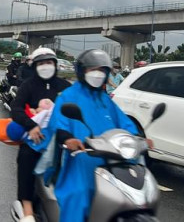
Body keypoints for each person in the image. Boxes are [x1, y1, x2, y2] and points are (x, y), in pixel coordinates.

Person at [33, 49, 138, 222]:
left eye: (102, 70)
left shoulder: (105, 100)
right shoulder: (68, 96)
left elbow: (125, 123)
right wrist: (68, 139)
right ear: (82, 71)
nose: (98, 74)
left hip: (110, 161)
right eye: (92, 69)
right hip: (79, 159)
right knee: (79, 194)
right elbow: (58, 124)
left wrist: (138, 138)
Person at [10, 47, 71, 221]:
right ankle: (27, 209)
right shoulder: (28, 85)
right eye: (42, 63)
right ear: (35, 66)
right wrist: (31, 126)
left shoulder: (65, 86)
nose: (46, 66)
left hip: (62, 137)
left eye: (49, 62)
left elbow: (78, 108)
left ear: (55, 65)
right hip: (36, 138)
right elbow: (16, 109)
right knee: (26, 158)